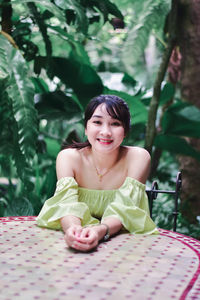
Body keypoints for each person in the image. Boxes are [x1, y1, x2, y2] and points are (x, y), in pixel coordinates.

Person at [36, 94, 158, 252]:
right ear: (86, 128)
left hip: (125, 246)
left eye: (115, 123)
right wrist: (73, 230)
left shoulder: (138, 158)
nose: (106, 132)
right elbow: (66, 204)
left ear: (126, 130)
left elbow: (125, 209)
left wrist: (100, 231)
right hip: (76, 241)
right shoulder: (69, 158)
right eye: (97, 122)